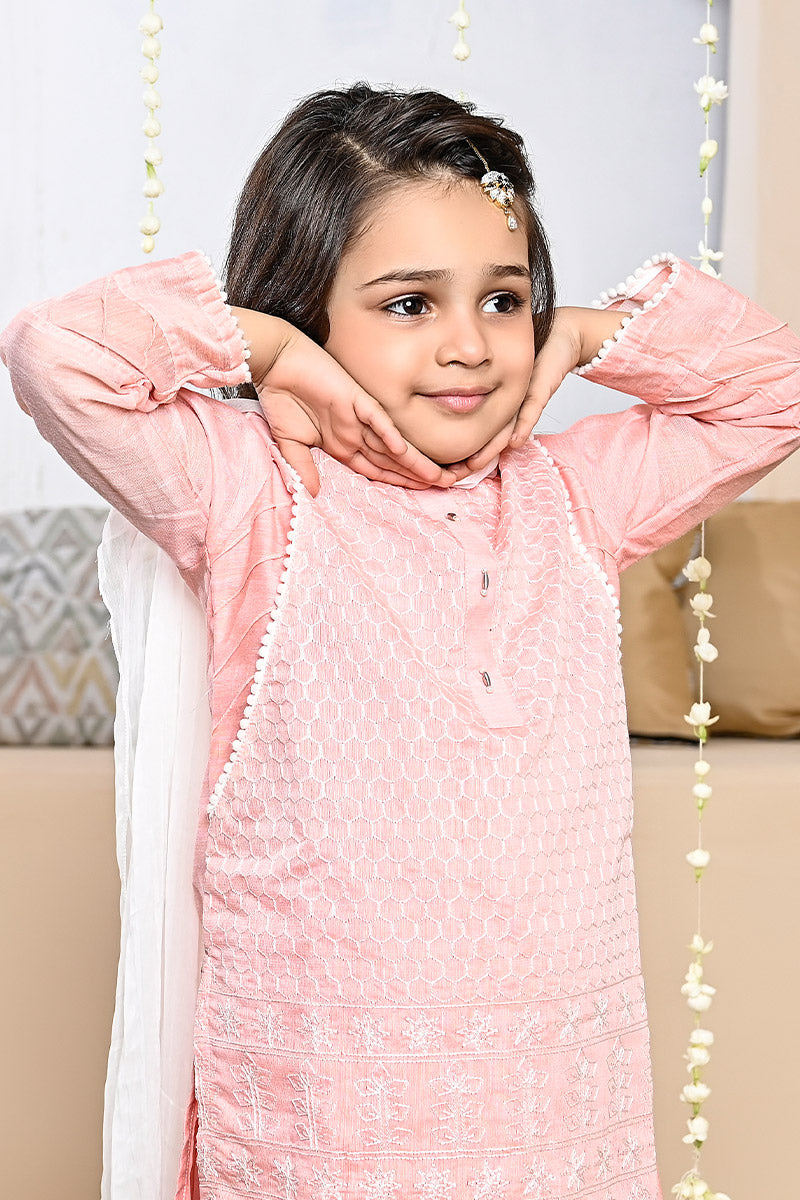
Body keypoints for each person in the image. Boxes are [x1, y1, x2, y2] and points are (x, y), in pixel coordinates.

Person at [2, 83, 800, 1200]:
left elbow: (774, 392)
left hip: (553, 1097)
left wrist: (585, 334)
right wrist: (266, 351)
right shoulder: (255, 494)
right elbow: (55, 354)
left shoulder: (575, 498)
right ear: (311, 306)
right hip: (326, 1106)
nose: (469, 346)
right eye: (409, 304)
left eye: (504, 299)